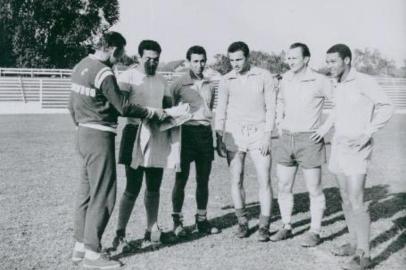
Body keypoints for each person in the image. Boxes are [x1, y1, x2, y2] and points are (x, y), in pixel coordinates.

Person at [68, 32, 166, 269]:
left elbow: (70, 106)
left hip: (82, 133)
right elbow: (122, 106)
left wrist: (83, 124)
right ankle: (93, 253)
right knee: (104, 193)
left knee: (86, 193)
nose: (121, 57)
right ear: (112, 49)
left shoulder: (80, 66)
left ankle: (80, 247)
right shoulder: (103, 71)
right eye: (120, 52)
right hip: (99, 135)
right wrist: (151, 112)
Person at [313, 44, 393, 270]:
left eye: (333, 61)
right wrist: (324, 129)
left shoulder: (365, 81)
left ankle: (364, 255)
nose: (329, 66)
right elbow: (338, 111)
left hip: (358, 149)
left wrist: (367, 133)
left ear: (347, 60)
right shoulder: (336, 83)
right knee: (345, 198)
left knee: (357, 201)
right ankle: (353, 242)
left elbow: (386, 106)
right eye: (327, 62)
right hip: (339, 146)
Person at [112, 40, 173, 251]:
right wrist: (148, 111)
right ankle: (120, 234)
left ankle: (150, 230)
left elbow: (168, 105)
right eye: (148, 58)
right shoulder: (128, 76)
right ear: (139, 57)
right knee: (132, 187)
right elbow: (121, 108)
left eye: (156, 59)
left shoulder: (162, 79)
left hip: (156, 133)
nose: (152, 63)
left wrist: (172, 112)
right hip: (134, 132)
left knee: (154, 186)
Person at [271, 43, 332, 247]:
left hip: (310, 140)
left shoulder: (320, 80)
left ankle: (315, 231)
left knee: (313, 188)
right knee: (284, 185)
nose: (290, 61)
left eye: (294, 58)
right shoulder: (285, 79)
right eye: (288, 58)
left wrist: (324, 129)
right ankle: (286, 226)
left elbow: (340, 104)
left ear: (306, 59)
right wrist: (279, 122)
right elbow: (280, 100)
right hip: (287, 138)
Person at [215, 41, 276, 242]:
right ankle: (242, 223)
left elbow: (271, 108)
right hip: (235, 134)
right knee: (236, 179)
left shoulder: (263, 76)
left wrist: (267, 134)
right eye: (232, 60)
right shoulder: (226, 80)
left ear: (248, 58)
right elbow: (221, 110)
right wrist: (219, 136)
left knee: (264, 179)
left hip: (259, 133)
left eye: (239, 59)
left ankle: (264, 226)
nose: (235, 64)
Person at [169, 45, 220, 237]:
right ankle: (177, 222)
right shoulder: (178, 84)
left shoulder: (209, 84)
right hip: (185, 134)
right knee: (181, 179)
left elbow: (209, 111)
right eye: (195, 61)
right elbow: (168, 108)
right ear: (188, 62)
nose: (199, 65)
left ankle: (202, 220)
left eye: (202, 61)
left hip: (205, 133)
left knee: (203, 180)